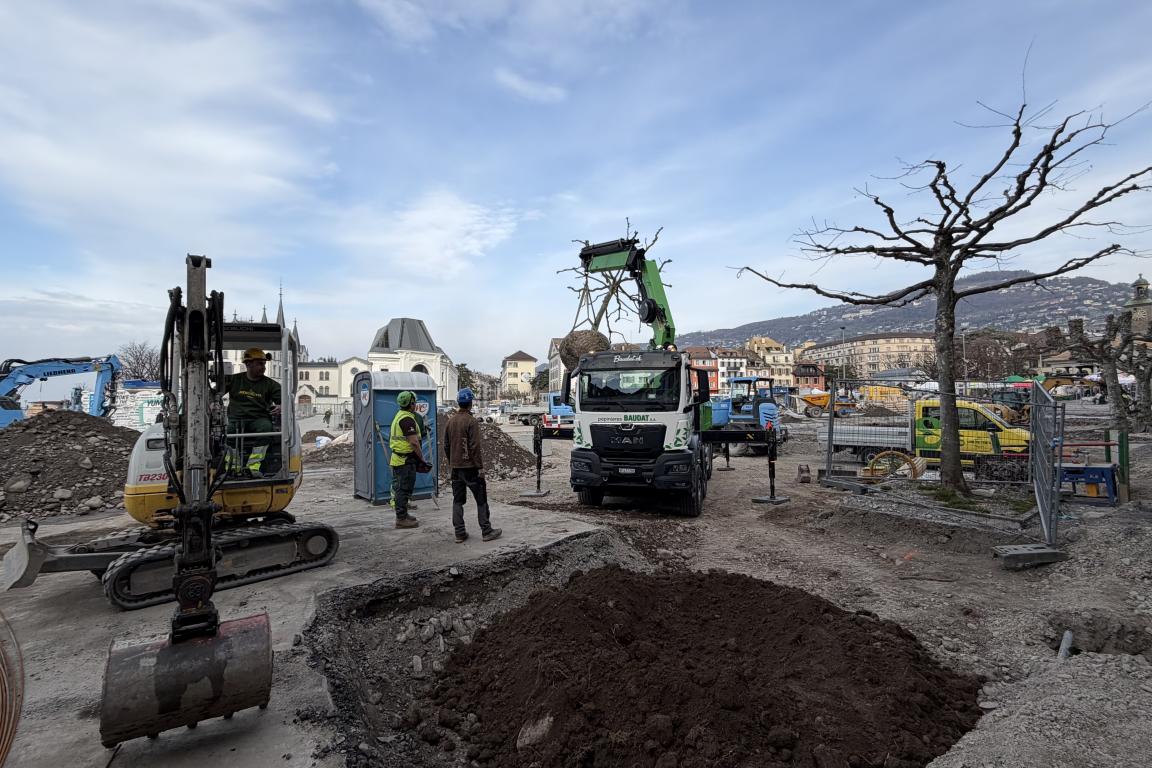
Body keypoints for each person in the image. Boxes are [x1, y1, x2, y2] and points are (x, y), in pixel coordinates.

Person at [444, 387, 501, 543]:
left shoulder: (450, 421)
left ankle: (460, 533)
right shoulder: (471, 421)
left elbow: (446, 446)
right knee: (481, 498)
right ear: (470, 403)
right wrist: (480, 468)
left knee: (457, 500)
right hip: (471, 468)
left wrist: (452, 463)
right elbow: (474, 447)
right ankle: (486, 530)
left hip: (456, 468)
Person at [227, 347, 282, 476]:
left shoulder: (270, 384)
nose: (263, 367)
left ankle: (253, 466)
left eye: (264, 364)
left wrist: (280, 406)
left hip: (258, 419)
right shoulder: (234, 380)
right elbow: (214, 393)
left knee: (266, 428)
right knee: (228, 432)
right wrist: (212, 402)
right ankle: (233, 467)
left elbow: (282, 400)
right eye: (260, 364)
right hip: (236, 418)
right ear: (248, 364)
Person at [389, 390, 428, 529]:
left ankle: (404, 514)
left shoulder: (400, 415)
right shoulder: (406, 419)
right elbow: (414, 442)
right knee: (403, 489)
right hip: (404, 460)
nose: (415, 404)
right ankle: (401, 518)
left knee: (404, 488)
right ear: (411, 404)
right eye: (414, 402)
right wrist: (421, 458)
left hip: (401, 459)